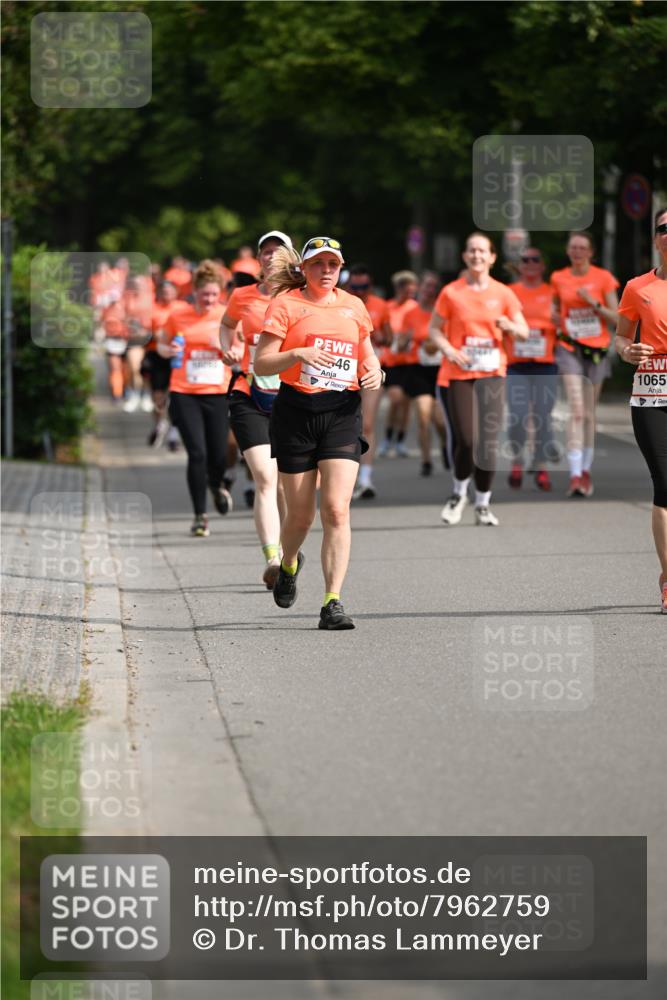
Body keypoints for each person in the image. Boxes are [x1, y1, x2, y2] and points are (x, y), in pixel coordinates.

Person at [253, 236, 384, 629]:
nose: (327, 271)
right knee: (300, 517)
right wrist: (298, 354)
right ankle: (289, 564)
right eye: (319, 264)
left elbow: (367, 354)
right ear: (304, 268)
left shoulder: (354, 306)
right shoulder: (286, 304)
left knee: (337, 509)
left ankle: (332, 602)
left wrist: (376, 371)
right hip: (296, 412)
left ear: (340, 268)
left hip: (341, 412)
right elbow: (262, 363)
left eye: (333, 264)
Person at [428, 232, 529, 526]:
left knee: (487, 444)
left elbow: (523, 331)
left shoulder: (503, 293)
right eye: (472, 250)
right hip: (458, 373)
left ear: (492, 257)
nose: (477, 255)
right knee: (467, 439)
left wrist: (510, 325)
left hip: (492, 374)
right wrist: (448, 349)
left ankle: (483, 504)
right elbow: (434, 329)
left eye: (482, 251)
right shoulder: (452, 292)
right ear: (465, 256)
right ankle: (459, 493)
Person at [220, 231, 293, 589]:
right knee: (265, 476)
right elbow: (226, 325)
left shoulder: (299, 297)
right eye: (265, 252)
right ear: (258, 259)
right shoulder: (243, 295)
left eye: (277, 251)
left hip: (291, 397)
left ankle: (288, 550)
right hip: (248, 392)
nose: (270, 257)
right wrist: (228, 349)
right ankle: (272, 559)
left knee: (285, 485)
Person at [615, 208, 667, 613]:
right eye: (664, 228)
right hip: (651, 392)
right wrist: (628, 351)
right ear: (656, 239)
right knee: (665, 484)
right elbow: (619, 338)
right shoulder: (637, 287)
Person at [158, 260, 233, 537]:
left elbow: (238, 351)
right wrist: (168, 350)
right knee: (197, 453)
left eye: (214, 294)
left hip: (217, 392)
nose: (209, 299)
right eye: (205, 294)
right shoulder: (178, 315)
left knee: (218, 454)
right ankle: (200, 516)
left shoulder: (227, 316)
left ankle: (216, 484)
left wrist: (223, 347)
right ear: (195, 292)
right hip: (184, 392)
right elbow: (162, 343)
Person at [551, 231, 619, 497]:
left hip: (597, 350)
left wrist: (594, 303)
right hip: (569, 348)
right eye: (573, 248)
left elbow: (617, 318)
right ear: (568, 251)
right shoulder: (558, 277)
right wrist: (554, 316)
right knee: (577, 411)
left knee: (589, 414)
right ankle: (575, 474)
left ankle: (586, 470)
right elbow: (554, 309)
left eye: (582, 248)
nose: (577, 252)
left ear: (591, 252)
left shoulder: (603, 278)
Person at [506, 248, 560, 491]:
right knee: (518, 416)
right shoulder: (509, 293)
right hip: (515, 365)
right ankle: (517, 460)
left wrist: (558, 324)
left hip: (544, 365)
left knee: (542, 416)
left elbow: (565, 323)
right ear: (519, 266)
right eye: (524, 260)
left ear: (542, 266)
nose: (529, 263)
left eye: (534, 259)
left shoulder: (552, 293)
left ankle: (540, 466)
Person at [345, 263, 392, 499]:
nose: (360, 291)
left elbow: (390, 338)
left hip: (370, 372)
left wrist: (381, 337)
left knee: (369, 424)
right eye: (355, 287)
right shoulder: (340, 302)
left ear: (370, 286)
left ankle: (365, 478)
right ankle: (345, 476)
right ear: (348, 285)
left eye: (364, 287)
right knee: (343, 425)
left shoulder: (381, 306)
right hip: (344, 374)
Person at [400, 271, 449, 476]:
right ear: (420, 287)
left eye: (434, 286)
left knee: (440, 420)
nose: (430, 290)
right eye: (427, 285)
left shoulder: (443, 312)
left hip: (440, 369)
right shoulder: (411, 314)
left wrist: (437, 345)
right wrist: (406, 340)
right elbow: (400, 343)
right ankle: (426, 460)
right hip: (418, 368)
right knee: (423, 416)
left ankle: (446, 445)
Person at [377, 270, 419, 457]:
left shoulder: (415, 308)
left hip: (410, 361)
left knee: (406, 404)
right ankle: (388, 438)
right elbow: (381, 330)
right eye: (407, 291)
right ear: (398, 289)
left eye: (413, 291)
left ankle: (400, 440)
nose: (410, 294)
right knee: (395, 399)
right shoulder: (388, 307)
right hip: (391, 361)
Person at [143, 280, 187, 446]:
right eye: (163, 291)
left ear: (176, 292)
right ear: (159, 293)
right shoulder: (153, 309)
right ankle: (160, 424)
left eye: (170, 290)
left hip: (178, 355)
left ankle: (174, 430)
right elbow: (149, 332)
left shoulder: (183, 308)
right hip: (157, 355)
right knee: (158, 394)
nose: (166, 293)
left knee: (176, 394)